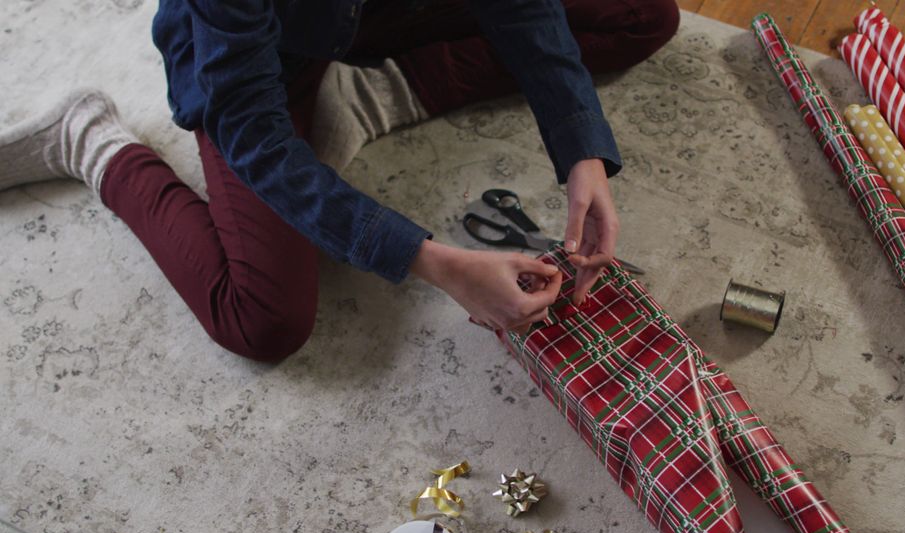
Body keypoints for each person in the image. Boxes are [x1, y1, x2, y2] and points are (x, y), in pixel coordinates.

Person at [0, 0, 678, 362]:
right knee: (264, 319)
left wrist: (581, 151)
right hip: (263, 64)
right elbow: (255, 136)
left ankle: (374, 95)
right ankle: (88, 142)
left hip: (370, 14)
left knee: (641, 14)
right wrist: (435, 262)